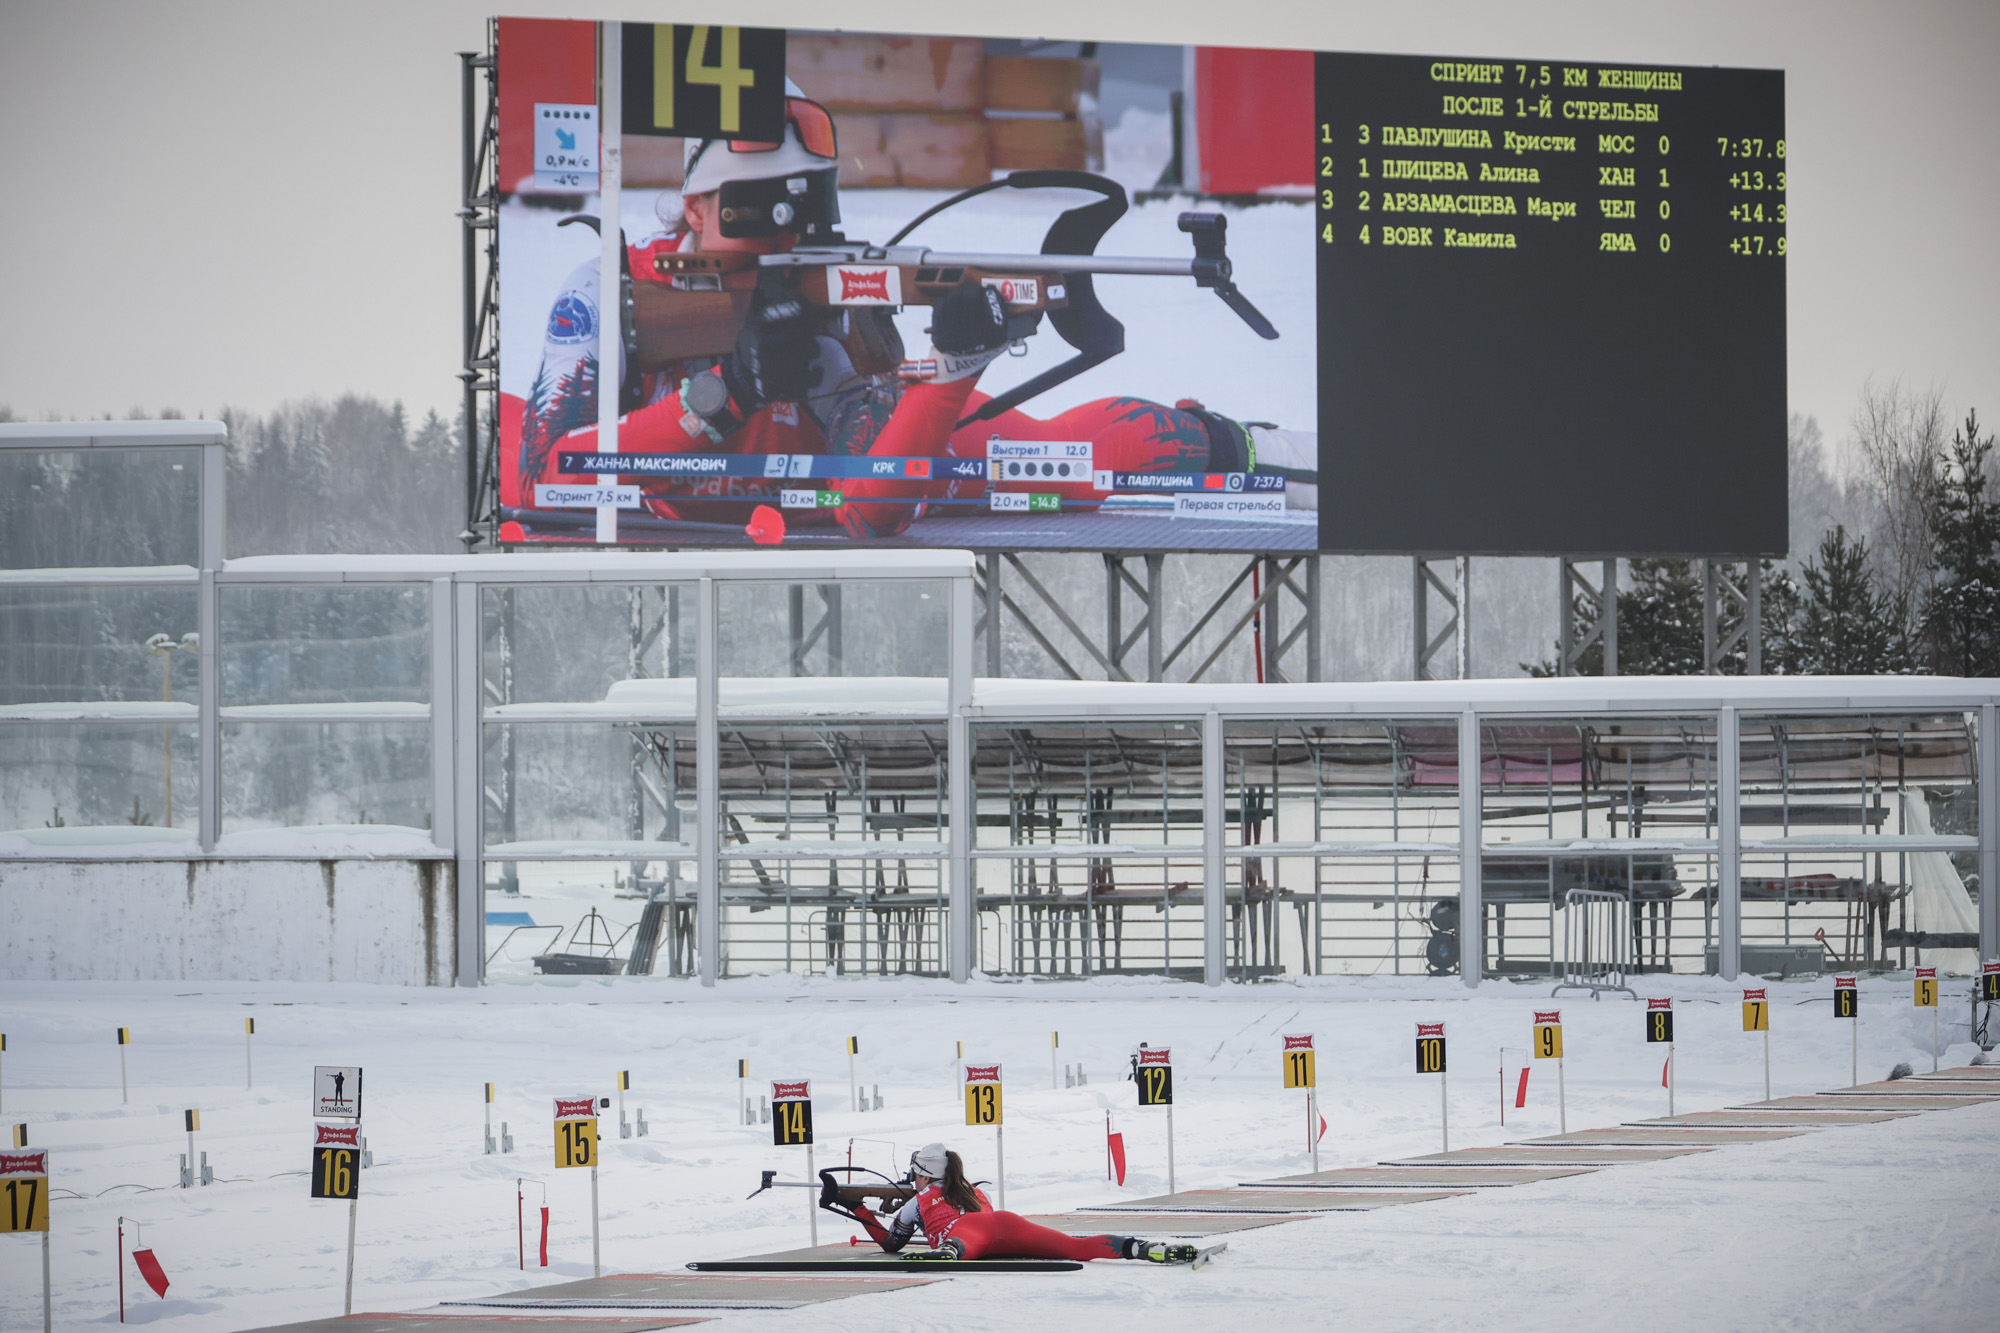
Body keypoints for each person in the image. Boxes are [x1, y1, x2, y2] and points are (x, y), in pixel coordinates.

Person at [513, 85, 1315, 543]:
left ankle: (1260, 449)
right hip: (677, 520)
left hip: (815, 494)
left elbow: (870, 507)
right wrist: (726, 396)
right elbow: (544, 480)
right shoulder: (611, 293)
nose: (780, 242)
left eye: (800, 215)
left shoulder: (825, 300)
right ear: (693, 205)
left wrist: (955, 371)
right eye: (754, 214)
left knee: (1076, 459)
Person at [874, 1142, 1196, 1263]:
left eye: (916, 1176)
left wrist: (858, 1209)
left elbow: (891, 1244)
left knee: (962, 1243)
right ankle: (1141, 1248)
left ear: (925, 1176)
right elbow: (986, 1217)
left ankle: (950, 1251)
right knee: (1075, 1247)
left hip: (972, 1232)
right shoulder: (970, 1188)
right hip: (1005, 1223)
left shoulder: (918, 1201)